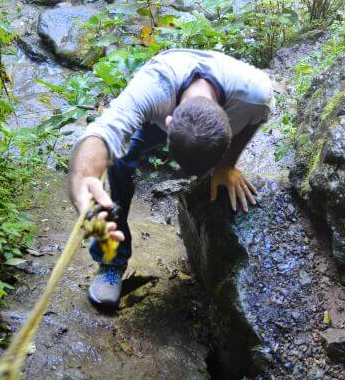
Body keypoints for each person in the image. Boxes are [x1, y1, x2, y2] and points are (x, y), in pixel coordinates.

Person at [68, 48, 273, 309]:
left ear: (230, 124)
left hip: (207, 118)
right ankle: (111, 262)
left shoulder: (254, 95)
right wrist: (83, 179)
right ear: (168, 121)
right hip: (161, 106)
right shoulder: (154, 87)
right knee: (119, 164)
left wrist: (226, 165)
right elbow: (103, 130)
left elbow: (257, 117)